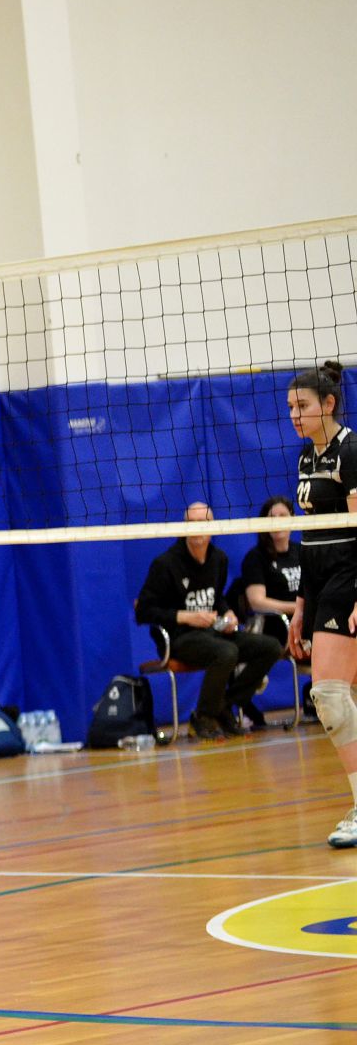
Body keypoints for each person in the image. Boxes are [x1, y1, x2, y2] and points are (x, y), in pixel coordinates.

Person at [134, 501, 281, 740]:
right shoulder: (165, 564)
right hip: (179, 637)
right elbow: (143, 611)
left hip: (212, 633)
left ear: (213, 527)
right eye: (192, 523)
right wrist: (185, 616)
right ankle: (202, 717)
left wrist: (228, 613)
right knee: (226, 652)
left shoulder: (219, 559)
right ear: (184, 527)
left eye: (203, 523)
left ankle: (224, 706)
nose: (197, 528)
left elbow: (216, 598)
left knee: (270, 647)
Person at [288, 360, 357, 848]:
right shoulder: (306, 457)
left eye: (303, 406)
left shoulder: (351, 451)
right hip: (319, 580)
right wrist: (300, 606)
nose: (295, 415)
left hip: (349, 576)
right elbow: (310, 538)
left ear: (328, 404)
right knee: (339, 695)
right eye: (290, 407)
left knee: (329, 694)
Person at [229, 496, 304, 726]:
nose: (278, 521)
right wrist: (297, 608)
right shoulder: (256, 557)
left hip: (305, 622)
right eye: (272, 517)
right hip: (273, 626)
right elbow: (257, 601)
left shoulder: (301, 552)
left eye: (283, 516)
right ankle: (236, 703)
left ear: (293, 519)